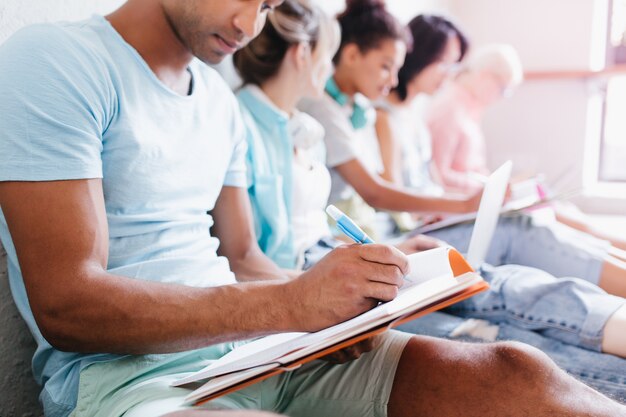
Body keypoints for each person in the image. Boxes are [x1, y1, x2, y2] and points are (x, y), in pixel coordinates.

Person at [0, 2, 625, 417]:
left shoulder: (217, 101)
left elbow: (244, 256)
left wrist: (343, 303)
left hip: (253, 351)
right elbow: (66, 303)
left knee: (516, 375)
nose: (250, 23)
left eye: (269, 3)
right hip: (133, 384)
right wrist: (292, 305)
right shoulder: (56, 62)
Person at [234, 2, 626, 384]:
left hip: (337, 248)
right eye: (328, 55)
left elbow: (328, 220)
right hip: (314, 264)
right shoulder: (266, 121)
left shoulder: (309, 123)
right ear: (304, 55)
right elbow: (369, 198)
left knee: (492, 282)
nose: (331, 64)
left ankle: (611, 330)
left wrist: (390, 248)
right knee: (476, 325)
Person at [373, 17, 626, 299]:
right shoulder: (390, 119)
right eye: (444, 63)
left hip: (443, 214)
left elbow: (433, 180)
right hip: (424, 228)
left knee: (542, 218)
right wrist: (462, 203)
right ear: (420, 56)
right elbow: (396, 203)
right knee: (522, 227)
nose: (449, 74)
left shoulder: (415, 117)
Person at [427, 43, 626, 253]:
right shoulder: (449, 110)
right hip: (465, 207)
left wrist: (497, 184)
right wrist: (487, 188)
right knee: (559, 218)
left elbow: (469, 168)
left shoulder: (468, 109)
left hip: (479, 198)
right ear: (485, 76)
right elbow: (438, 176)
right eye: (503, 89)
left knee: (562, 210)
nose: (502, 97)